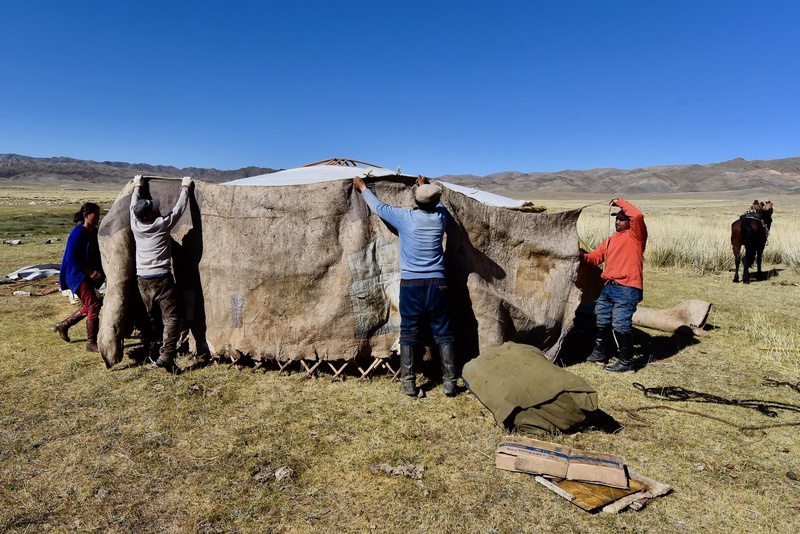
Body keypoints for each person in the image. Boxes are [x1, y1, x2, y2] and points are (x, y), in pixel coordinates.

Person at [352, 175, 457, 397]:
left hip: (412, 285)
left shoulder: (405, 218)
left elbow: (379, 207)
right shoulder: (440, 217)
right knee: (444, 333)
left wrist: (362, 188)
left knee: (408, 332)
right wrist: (424, 187)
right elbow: (437, 203)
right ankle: (450, 383)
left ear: (416, 201)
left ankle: (409, 385)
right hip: (438, 285)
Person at [130, 175, 192, 373]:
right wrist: (185, 188)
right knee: (172, 317)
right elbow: (179, 209)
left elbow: (132, 206)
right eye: (154, 209)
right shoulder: (161, 225)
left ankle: (151, 348)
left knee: (153, 316)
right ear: (148, 215)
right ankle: (167, 355)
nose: (158, 210)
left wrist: (137, 186)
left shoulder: (135, 224)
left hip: (142, 279)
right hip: (161, 278)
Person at [580, 198, 648, 372]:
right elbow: (595, 258)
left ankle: (626, 362)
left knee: (621, 324)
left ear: (629, 223)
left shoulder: (636, 237)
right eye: (616, 219)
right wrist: (579, 255)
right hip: (609, 287)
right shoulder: (609, 240)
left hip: (627, 287)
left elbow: (637, 215)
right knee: (601, 319)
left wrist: (619, 201)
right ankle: (599, 354)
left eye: (621, 219)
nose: (617, 222)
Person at [54, 202, 105, 352]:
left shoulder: (94, 232)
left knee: (91, 304)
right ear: (86, 215)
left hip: (86, 274)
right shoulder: (78, 232)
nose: (98, 217)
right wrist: (88, 271)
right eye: (95, 214)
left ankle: (64, 325)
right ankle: (91, 342)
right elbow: (71, 257)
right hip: (76, 274)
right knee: (93, 305)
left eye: (99, 214)